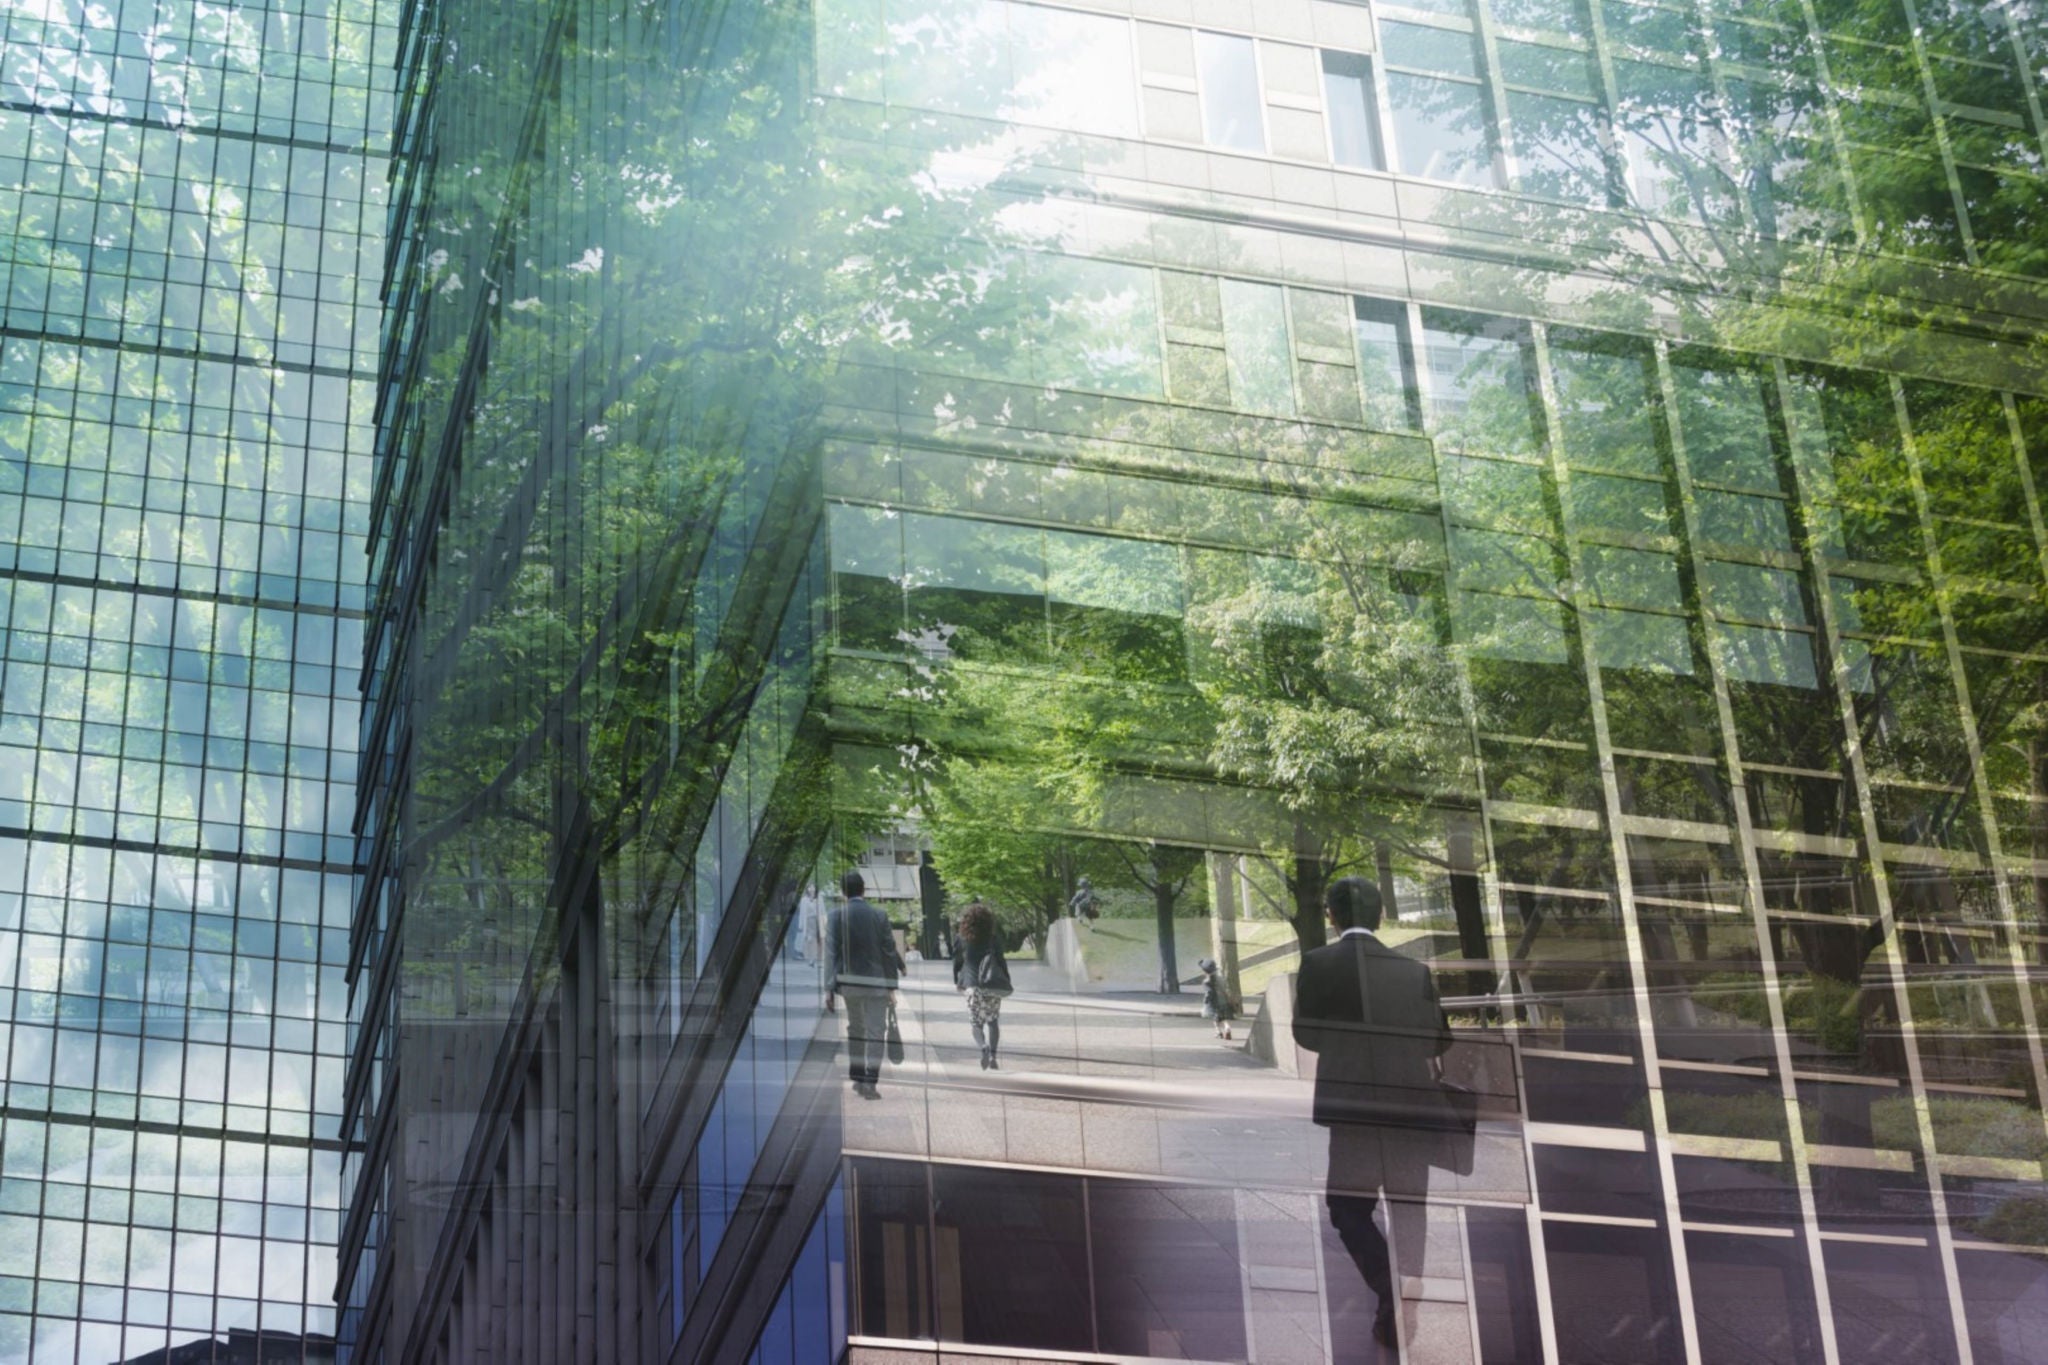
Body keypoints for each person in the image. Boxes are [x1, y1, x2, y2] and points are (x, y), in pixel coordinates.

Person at [1292, 876, 1452, 1359]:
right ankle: (1405, 1290)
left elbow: (1306, 1034)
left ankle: (1388, 1290)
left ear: (1331, 916)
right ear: (1380, 915)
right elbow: (1439, 1039)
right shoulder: (1412, 969)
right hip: (1408, 1104)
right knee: (1408, 1207)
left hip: (1352, 1106)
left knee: (1347, 1209)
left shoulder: (1318, 964)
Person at [825, 870, 902, 1099]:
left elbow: (831, 954)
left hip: (849, 985)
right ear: (864, 889)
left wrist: (829, 989)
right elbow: (888, 951)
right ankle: (870, 1081)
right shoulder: (879, 916)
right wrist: (891, 987)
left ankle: (857, 1077)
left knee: (855, 1028)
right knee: (876, 1031)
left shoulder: (835, 916)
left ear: (842, 891)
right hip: (876, 984)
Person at [951, 901, 1012, 1069]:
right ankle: (993, 1056)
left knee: (975, 1023)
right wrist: (1006, 979)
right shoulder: (992, 939)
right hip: (991, 984)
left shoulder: (961, 938)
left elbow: (957, 961)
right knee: (992, 1021)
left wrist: (957, 981)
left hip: (971, 985)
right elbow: (1000, 960)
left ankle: (982, 1047)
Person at [1198, 957, 1237, 1042]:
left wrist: (1206, 1001)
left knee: (1215, 1018)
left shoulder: (1206, 982)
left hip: (1213, 1002)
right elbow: (1225, 989)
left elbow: (1209, 993)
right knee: (1223, 1018)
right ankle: (1227, 1027)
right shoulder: (1220, 978)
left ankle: (1218, 1032)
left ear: (1204, 971)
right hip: (1223, 1000)